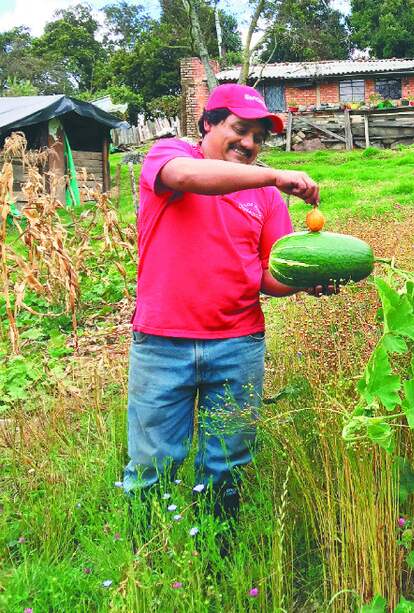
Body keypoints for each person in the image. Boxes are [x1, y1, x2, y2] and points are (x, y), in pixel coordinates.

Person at [123, 84, 328, 520]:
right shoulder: (170, 156)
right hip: (162, 343)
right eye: (240, 129)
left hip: (238, 346)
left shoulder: (266, 197)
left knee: (226, 468)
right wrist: (274, 174)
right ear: (207, 124)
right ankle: (142, 554)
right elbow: (185, 178)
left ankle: (218, 549)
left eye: (259, 137)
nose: (250, 144)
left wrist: (307, 279)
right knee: (151, 467)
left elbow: (270, 276)